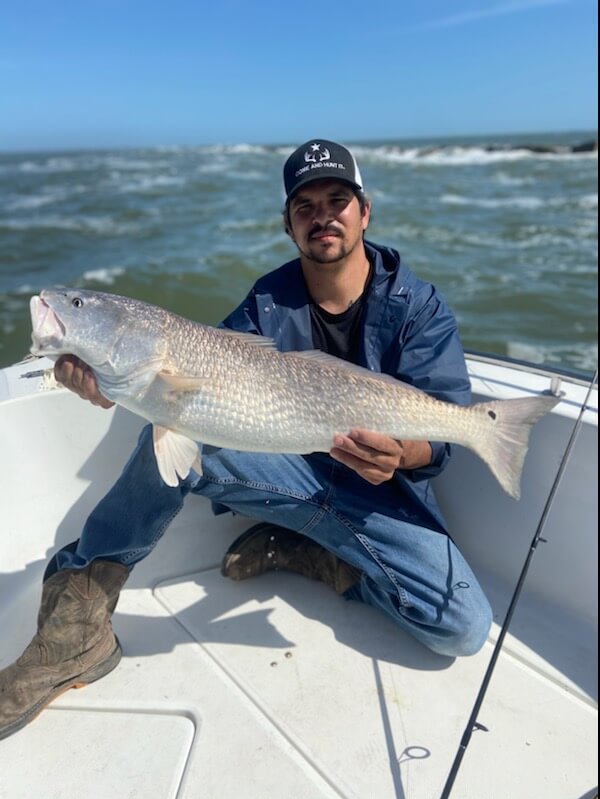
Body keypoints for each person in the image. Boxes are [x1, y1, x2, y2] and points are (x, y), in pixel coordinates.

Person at [0, 139, 493, 740]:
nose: (323, 216)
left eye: (338, 200)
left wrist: (402, 454)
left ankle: (324, 560)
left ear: (366, 212)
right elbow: (188, 387)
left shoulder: (418, 306)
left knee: (462, 627)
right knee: (171, 429)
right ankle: (77, 619)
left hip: (379, 490)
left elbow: (442, 429)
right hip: (290, 477)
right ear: (288, 224)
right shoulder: (265, 301)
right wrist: (100, 379)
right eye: (304, 206)